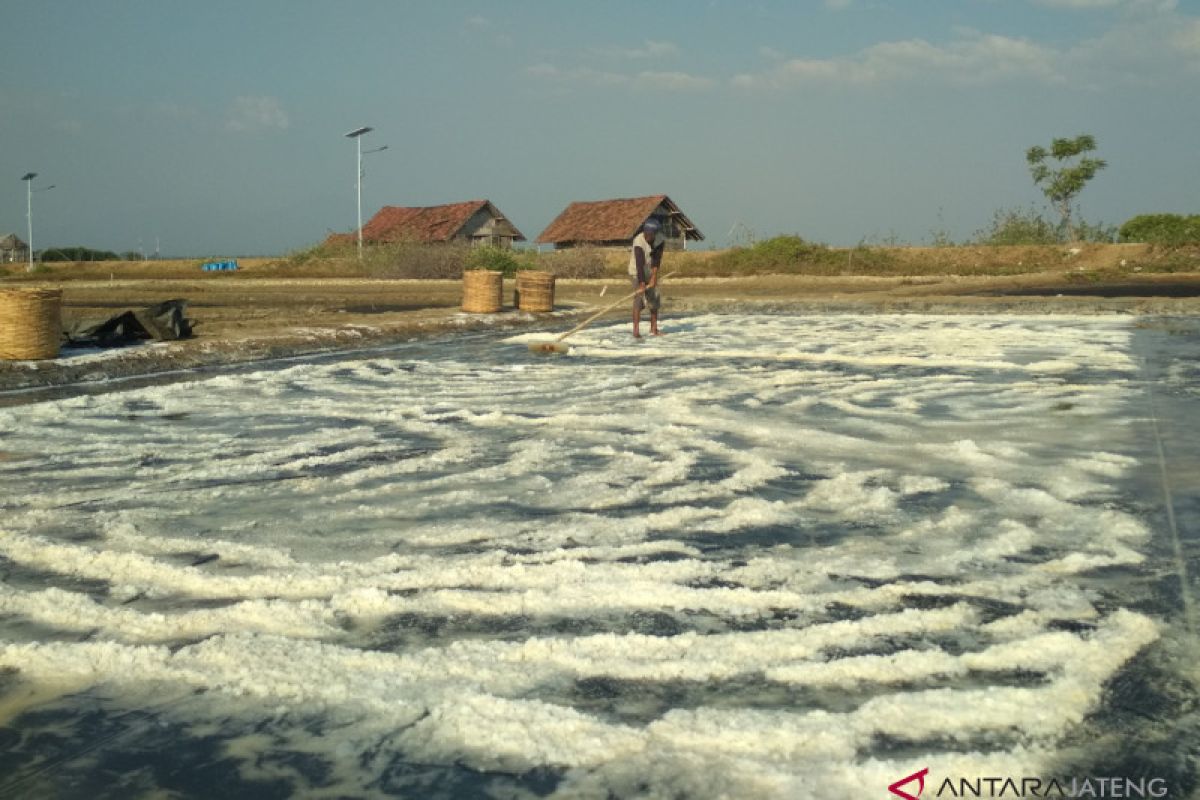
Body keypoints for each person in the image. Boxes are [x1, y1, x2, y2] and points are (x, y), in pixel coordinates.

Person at [629, 218, 665, 338]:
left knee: (654, 298)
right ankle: (636, 331)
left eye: (650, 235)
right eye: (646, 234)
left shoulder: (659, 240)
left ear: (655, 234)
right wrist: (642, 283)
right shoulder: (638, 242)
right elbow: (639, 264)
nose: (648, 237)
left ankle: (653, 329)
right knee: (639, 300)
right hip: (636, 271)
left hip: (650, 270)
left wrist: (654, 276)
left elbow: (656, 259)